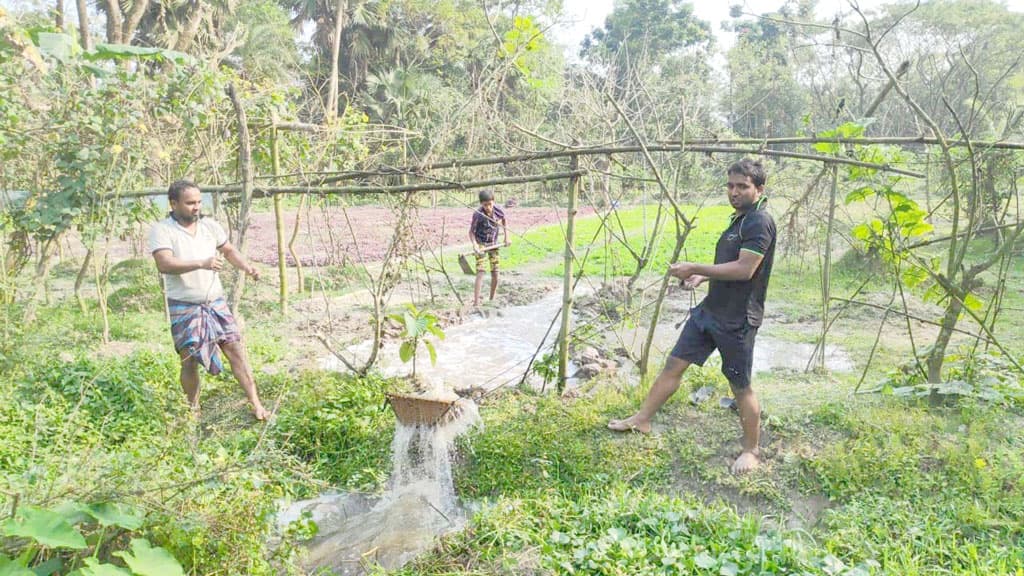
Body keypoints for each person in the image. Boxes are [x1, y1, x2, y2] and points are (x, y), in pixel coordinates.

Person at [608, 159, 776, 475]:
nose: (734, 192)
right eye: (730, 185)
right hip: (710, 312)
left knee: (740, 386)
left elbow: (745, 269)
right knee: (674, 364)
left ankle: (751, 449)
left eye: (743, 186)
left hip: (737, 320)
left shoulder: (759, 222)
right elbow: (732, 266)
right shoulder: (739, 221)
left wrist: (695, 267)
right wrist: (704, 279)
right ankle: (642, 419)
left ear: (759, 189)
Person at [148, 180, 270, 420]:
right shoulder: (162, 230)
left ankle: (256, 403)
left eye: (199, 202)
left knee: (235, 349)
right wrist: (202, 263)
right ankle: (193, 410)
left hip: (215, 301)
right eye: (190, 203)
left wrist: (247, 267)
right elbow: (164, 264)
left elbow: (228, 251)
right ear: (173, 204)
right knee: (189, 359)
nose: (196, 207)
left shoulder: (210, 227)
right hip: (184, 303)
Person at [468, 189, 510, 306]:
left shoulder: (499, 211)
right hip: (481, 243)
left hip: (493, 243)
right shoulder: (478, 214)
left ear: (493, 202)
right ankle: (476, 303)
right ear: (481, 204)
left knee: (495, 272)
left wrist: (507, 238)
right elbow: (471, 232)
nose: (488, 207)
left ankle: (492, 299)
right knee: (480, 271)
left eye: (490, 204)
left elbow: (505, 222)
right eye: (485, 205)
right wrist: (475, 245)